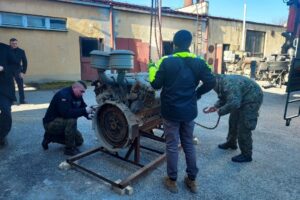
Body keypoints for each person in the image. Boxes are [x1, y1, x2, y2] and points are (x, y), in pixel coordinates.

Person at [148, 30, 216, 193]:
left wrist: (151, 68)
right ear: (189, 44)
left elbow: (155, 84)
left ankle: (172, 181)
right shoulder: (199, 61)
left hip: (170, 111)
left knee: (172, 145)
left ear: (174, 44)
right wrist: (196, 94)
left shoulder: (165, 61)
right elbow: (211, 82)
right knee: (188, 144)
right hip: (189, 111)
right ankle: (191, 180)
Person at [204, 74, 263, 163]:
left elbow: (234, 103)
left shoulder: (228, 84)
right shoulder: (220, 82)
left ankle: (246, 155)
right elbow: (226, 97)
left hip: (252, 99)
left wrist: (221, 111)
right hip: (241, 97)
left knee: (244, 126)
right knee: (233, 121)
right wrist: (215, 106)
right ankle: (231, 143)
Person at [42, 81, 95, 156]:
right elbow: (66, 113)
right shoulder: (63, 95)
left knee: (79, 141)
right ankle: (69, 149)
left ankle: (51, 137)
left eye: (84, 92)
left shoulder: (78, 95)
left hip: (62, 122)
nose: (82, 94)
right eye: (81, 91)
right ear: (74, 88)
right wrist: (84, 110)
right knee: (72, 120)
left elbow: (83, 106)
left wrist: (88, 115)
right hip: (50, 123)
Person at [0, 42, 16, 147]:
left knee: (6, 112)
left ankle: (1, 135)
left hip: (3, 89)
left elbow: (16, 65)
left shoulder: (5, 48)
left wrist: (3, 68)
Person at [8, 38, 28, 104]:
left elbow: (25, 62)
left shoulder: (21, 51)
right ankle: (12, 100)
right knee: (10, 86)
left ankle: (22, 100)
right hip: (8, 71)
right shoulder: (6, 50)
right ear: (10, 43)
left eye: (15, 43)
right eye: (13, 43)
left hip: (18, 70)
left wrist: (23, 72)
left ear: (17, 43)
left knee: (20, 86)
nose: (14, 45)